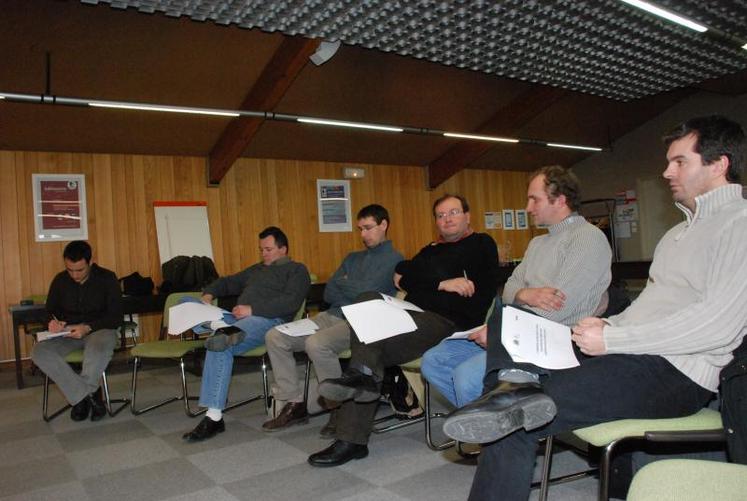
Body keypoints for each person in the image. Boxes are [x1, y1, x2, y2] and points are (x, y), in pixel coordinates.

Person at [443, 115, 747, 501]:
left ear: (719, 164)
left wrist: (615, 336)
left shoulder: (739, 223)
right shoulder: (676, 234)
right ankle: (509, 388)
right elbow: (649, 310)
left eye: (680, 161)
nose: (667, 170)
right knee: (508, 321)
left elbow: (718, 326)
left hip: (673, 371)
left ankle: (507, 397)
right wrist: (606, 323)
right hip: (627, 349)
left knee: (512, 420)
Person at [308, 194, 499, 466]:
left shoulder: (482, 244)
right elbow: (402, 272)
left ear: (468, 216)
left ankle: (350, 438)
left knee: (365, 345)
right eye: (441, 215)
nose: (447, 219)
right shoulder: (432, 249)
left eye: (453, 212)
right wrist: (443, 283)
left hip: (447, 322)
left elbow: (422, 280)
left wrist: (423, 282)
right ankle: (354, 423)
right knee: (369, 302)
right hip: (410, 317)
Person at [421, 165, 612, 407]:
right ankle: (495, 421)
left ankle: (499, 432)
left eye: (534, 199)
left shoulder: (587, 237)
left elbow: (560, 308)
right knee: (435, 361)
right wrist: (526, 294)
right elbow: (509, 292)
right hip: (521, 331)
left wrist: (504, 332)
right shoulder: (537, 243)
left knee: (467, 377)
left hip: (553, 338)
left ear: (560, 200)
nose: (528, 208)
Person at [262, 204, 403, 435]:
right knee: (276, 336)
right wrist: (350, 287)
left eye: (368, 228)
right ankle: (294, 402)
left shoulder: (394, 258)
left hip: (361, 320)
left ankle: (339, 410)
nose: (363, 234)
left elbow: (368, 293)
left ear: (384, 225)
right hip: (332, 315)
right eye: (360, 229)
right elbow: (329, 293)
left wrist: (344, 283)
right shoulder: (352, 257)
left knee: (317, 344)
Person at [182, 226, 310, 442]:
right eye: (261, 250)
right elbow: (228, 281)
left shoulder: (296, 270)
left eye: (268, 249)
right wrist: (209, 294)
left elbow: (290, 302)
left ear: (283, 249)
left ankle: (213, 418)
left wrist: (253, 309)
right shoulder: (257, 269)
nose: (264, 254)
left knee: (219, 342)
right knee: (185, 303)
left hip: (267, 320)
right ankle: (215, 326)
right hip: (237, 320)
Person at [32, 240, 123, 422]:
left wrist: (88, 327)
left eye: (79, 270)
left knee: (97, 350)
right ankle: (87, 397)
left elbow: (115, 316)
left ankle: (80, 401)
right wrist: (51, 322)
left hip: (99, 328)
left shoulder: (107, 278)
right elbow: (48, 311)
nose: (74, 275)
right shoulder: (60, 280)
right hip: (67, 333)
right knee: (39, 351)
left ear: (90, 262)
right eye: (70, 270)